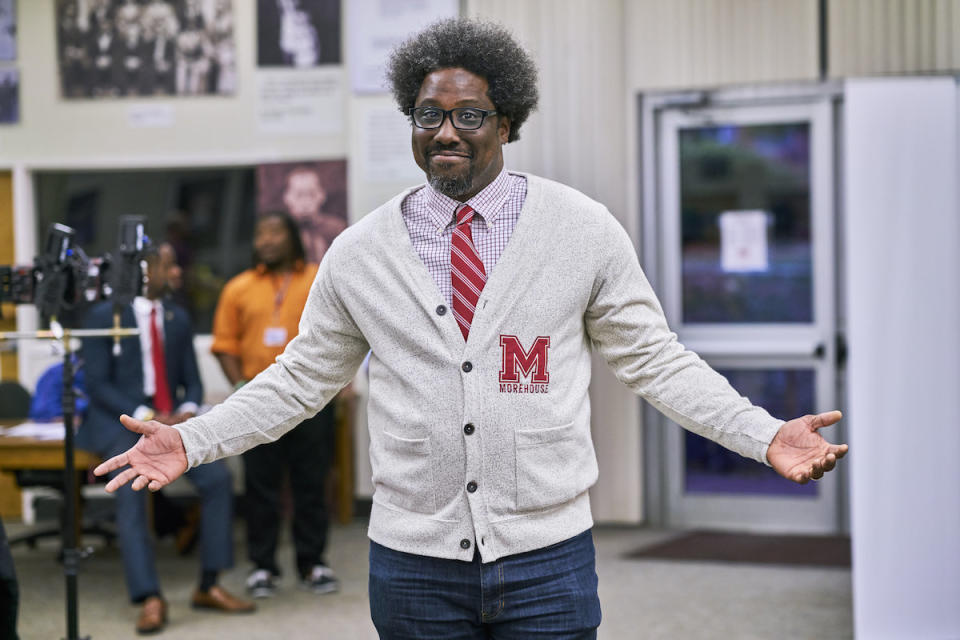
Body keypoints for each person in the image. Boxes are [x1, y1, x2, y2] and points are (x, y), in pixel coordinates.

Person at [96, 18, 848, 639]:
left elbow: (657, 361)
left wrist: (762, 434)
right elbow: (299, 379)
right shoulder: (360, 253)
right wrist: (194, 439)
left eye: (468, 115)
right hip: (413, 562)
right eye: (428, 115)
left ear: (507, 123)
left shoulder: (581, 230)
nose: (445, 131)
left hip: (545, 557)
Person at [79, 242, 254, 635]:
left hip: (172, 424)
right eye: (169, 266)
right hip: (120, 422)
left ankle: (209, 584)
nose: (176, 273)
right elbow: (97, 384)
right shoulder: (103, 316)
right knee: (131, 492)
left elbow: (191, 378)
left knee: (219, 480)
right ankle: (148, 597)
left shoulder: (176, 317)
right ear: (144, 271)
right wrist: (146, 416)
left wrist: (188, 409)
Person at [210, 211, 339, 597]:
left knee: (311, 484)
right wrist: (239, 385)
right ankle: (263, 567)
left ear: (292, 238)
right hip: (258, 402)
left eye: (274, 233)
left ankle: (313, 563)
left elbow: (339, 334)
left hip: (312, 401)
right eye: (259, 234)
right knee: (261, 486)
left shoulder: (318, 277)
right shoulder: (238, 288)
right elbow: (224, 345)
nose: (265, 241)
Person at [280, 165, 347, 264]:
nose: (305, 202)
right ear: (287, 197)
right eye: (299, 195)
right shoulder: (281, 230)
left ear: (322, 195)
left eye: (311, 194)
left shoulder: (337, 228)